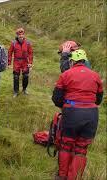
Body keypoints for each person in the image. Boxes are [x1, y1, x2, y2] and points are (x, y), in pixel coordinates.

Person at [52, 49, 103, 180]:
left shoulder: (66, 75)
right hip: (91, 115)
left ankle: (62, 176)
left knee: (66, 145)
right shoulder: (96, 76)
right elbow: (98, 99)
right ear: (85, 61)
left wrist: (66, 107)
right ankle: (73, 177)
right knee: (81, 148)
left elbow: (56, 98)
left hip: (72, 113)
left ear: (72, 61)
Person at [8, 28, 33, 97]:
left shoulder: (28, 43)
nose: (21, 36)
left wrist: (30, 62)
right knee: (16, 77)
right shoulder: (13, 43)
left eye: (22, 34)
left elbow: (30, 53)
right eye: (19, 35)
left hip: (25, 61)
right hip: (17, 61)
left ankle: (24, 89)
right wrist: (9, 63)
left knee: (26, 76)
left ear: (24, 35)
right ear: (17, 35)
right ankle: (16, 91)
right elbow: (10, 52)